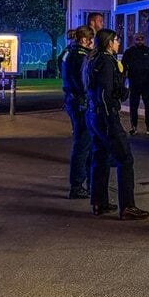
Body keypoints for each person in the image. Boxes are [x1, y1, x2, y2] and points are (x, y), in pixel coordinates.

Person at [85, 29, 149, 220]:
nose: (118, 42)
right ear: (108, 42)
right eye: (116, 39)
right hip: (106, 116)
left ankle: (99, 202)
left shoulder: (93, 59)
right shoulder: (106, 61)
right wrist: (110, 116)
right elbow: (105, 92)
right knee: (125, 158)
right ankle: (127, 206)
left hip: (94, 114)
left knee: (101, 157)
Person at [62, 25, 95, 200]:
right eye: (91, 39)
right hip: (81, 103)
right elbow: (83, 83)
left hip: (72, 100)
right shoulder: (83, 56)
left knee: (82, 141)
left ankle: (84, 183)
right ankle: (78, 185)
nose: (93, 43)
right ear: (85, 40)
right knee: (83, 144)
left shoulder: (68, 52)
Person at [122, 33, 149, 136]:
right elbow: (124, 65)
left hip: (147, 83)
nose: (139, 41)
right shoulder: (129, 52)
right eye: (137, 39)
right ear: (134, 40)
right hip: (134, 83)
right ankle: (133, 127)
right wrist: (127, 76)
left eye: (141, 39)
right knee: (134, 105)